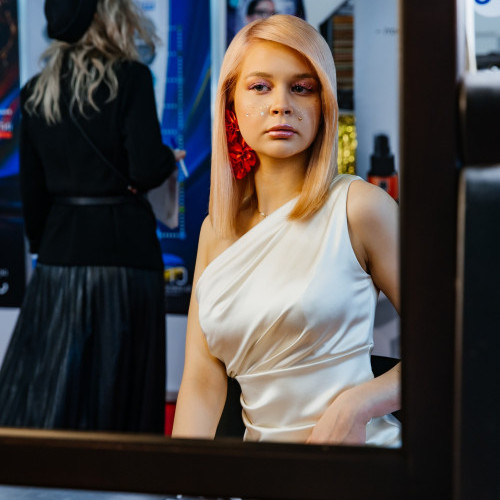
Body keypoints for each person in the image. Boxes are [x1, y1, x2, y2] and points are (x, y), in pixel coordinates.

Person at [172, 14, 401, 446]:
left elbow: (452, 340)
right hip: (262, 471)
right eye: (260, 86)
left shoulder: (359, 207)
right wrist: (182, 480)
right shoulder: (215, 230)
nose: (280, 104)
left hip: (361, 463)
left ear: (324, 103)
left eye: (302, 87)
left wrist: (359, 404)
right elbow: (202, 383)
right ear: (231, 104)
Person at [0, 0, 185, 433]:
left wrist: (47, 247)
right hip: (127, 255)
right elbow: (145, 168)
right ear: (111, 17)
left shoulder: (36, 90)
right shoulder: (131, 78)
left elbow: (32, 192)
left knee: (51, 393)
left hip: (60, 256)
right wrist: (167, 159)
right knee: (122, 392)